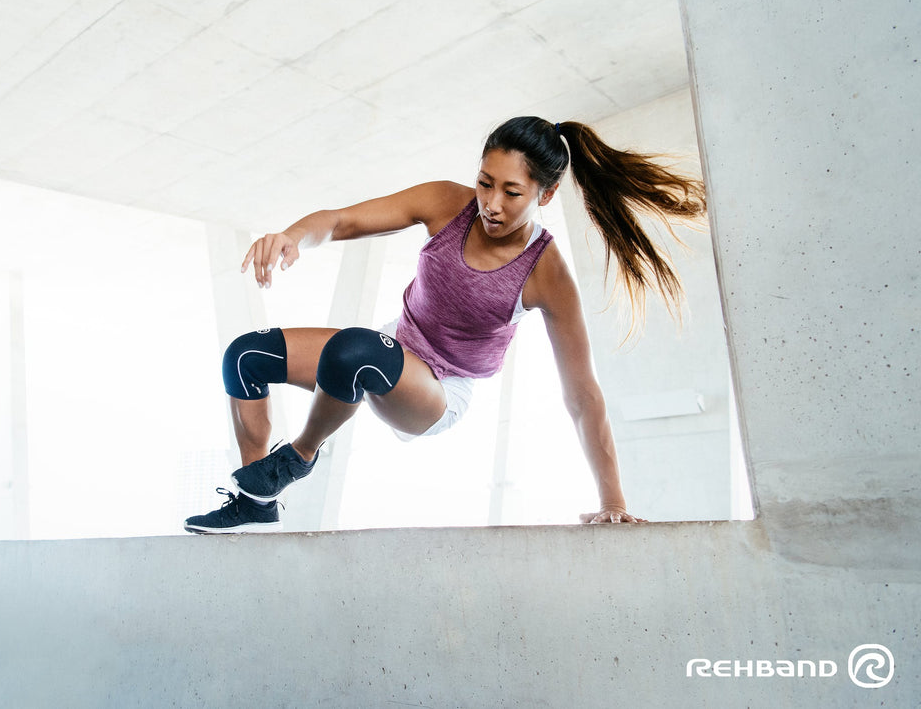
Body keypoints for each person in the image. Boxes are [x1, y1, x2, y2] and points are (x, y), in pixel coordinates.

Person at [184, 116, 706, 534]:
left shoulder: (546, 273)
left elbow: (583, 395)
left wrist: (612, 499)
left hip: (439, 390)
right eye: (484, 183)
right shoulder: (446, 203)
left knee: (353, 350)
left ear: (544, 195)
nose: (491, 204)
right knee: (245, 355)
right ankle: (255, 500)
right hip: (393, 344)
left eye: (512, 192)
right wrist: (294, 235)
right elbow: (343, 221)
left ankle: (297, 456)